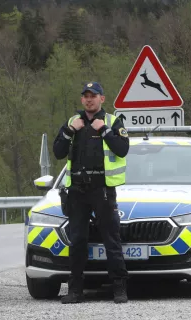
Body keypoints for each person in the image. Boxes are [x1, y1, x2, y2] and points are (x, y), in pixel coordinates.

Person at [53, 82, 129, 304]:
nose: (89, 100)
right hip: (77, 190)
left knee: (111, 240)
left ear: (102, 99)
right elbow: (58, 152)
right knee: (77, 241)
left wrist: (103, 130)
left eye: (93, 96)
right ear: (81, 100)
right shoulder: (71, 123)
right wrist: (70, 131)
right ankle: (75, 290)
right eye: (85, 96)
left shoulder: (112, 121)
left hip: (102, 189)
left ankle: (119, 289)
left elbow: (122, 149)